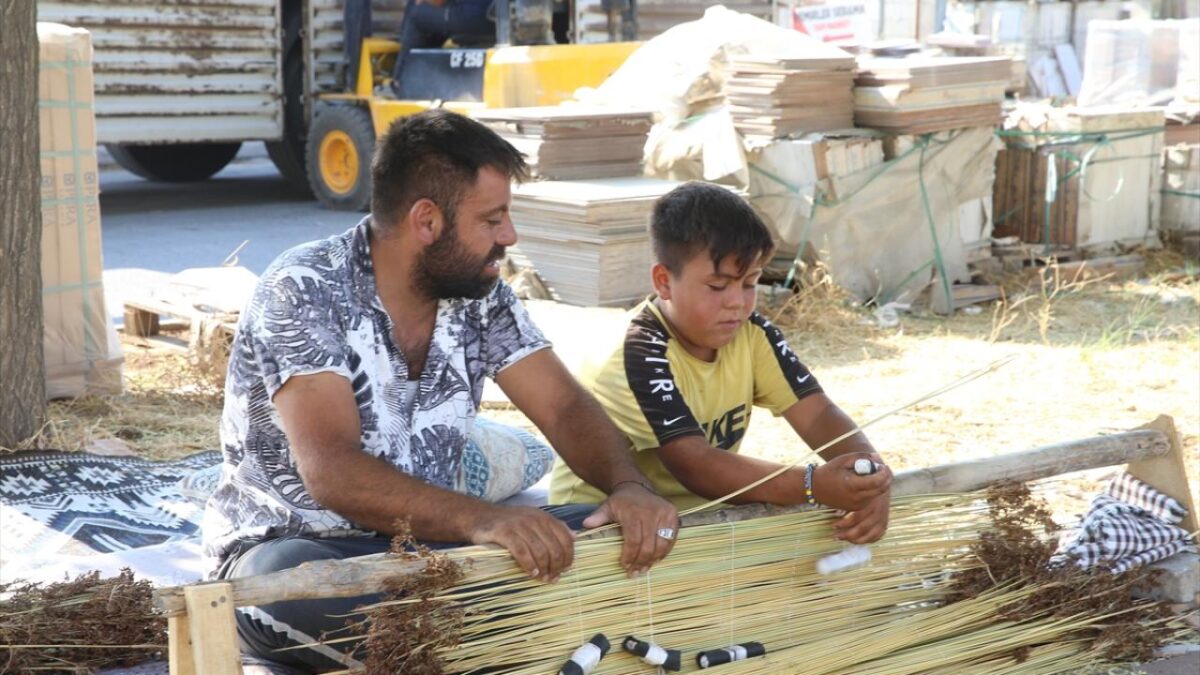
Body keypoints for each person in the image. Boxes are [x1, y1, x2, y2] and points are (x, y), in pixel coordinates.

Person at [202, 109, 678, 673]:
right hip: (303, 549)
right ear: (426, 221)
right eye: (493, 219)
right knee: (287, 588)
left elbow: (563, 404)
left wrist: (628, 486)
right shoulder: (303, 288)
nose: (510, 236)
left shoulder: (481, 295)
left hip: (433, 552)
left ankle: (480, 628)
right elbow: (331, 469)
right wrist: (486, 521)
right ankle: (513, 627)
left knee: (602, 532)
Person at [549, 181, 892, 545]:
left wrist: (870, 473)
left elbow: (819, 415)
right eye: (717, 286)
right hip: (601, 526)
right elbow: (694, 464)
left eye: (750, 283)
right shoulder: (637, 353)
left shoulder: (752, 334)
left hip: (700, 519)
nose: (737, 303)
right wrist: (812, 484)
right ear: (664, 282)